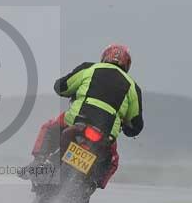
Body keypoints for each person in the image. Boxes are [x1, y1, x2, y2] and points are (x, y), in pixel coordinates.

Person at [22, 44, 144, 192]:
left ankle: (39, 161)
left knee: (50, 126)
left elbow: (62, 86)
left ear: (105, 56)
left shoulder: (89, 69)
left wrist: (70, 92)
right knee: (113, 160)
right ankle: (91, 185)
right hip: (106, 134)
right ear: (127, 64)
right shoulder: (133, 87)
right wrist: (127, 127)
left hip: (76, 120)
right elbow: (136, 124)